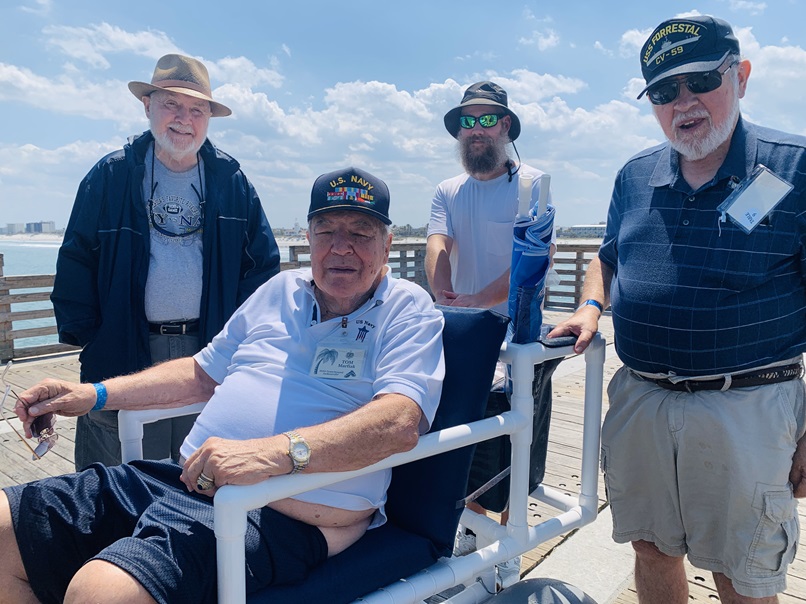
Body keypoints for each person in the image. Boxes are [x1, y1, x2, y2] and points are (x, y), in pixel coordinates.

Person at [0, 167, 445, 604]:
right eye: (326, 230)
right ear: (308, 238)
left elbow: (399, 421)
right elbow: (201, 373)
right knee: (3, 528)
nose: (340, 246)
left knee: (101, 592)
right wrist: (95, 394)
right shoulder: (280, 290)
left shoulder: (406, 308)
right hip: (182, 479)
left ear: (387, 244)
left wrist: (272, 455)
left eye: (360, 232)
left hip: (280, 512)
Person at [550, 15, 806, 603]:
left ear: (741, 76)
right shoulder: (635, 175)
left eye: (701, 81)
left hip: (748, 403)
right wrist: (590, 306)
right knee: (650, 546)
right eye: (665, 91)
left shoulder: (794, 168)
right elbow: (608, 257)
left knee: (741, 570)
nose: (683, 102)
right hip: (642, 396)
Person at [52, 53, 280, 469]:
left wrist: (242, 341)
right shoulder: (111, 175)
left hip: (208, 348)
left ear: (208, 119)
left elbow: (261, 268)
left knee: (199, 467)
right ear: (147, 106)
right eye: (171, 104)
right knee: (118, 468)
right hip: (125, 344)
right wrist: (96, 336)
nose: (183, 119)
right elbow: (76, 259)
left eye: (197, 110)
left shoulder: (233, 182)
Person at [426, 80, 557, 588]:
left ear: (505, 126)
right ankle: (469, 528)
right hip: (468, 336)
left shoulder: (534, 183)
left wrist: (479, 298)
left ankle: (510, 539)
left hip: (519, 336)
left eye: (486, 120)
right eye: (468, 121)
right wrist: (443, 294)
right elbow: (438, 243)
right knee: (465, 439)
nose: (476, 130)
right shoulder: (448, 190)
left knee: (515, 442)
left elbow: (535, 255)